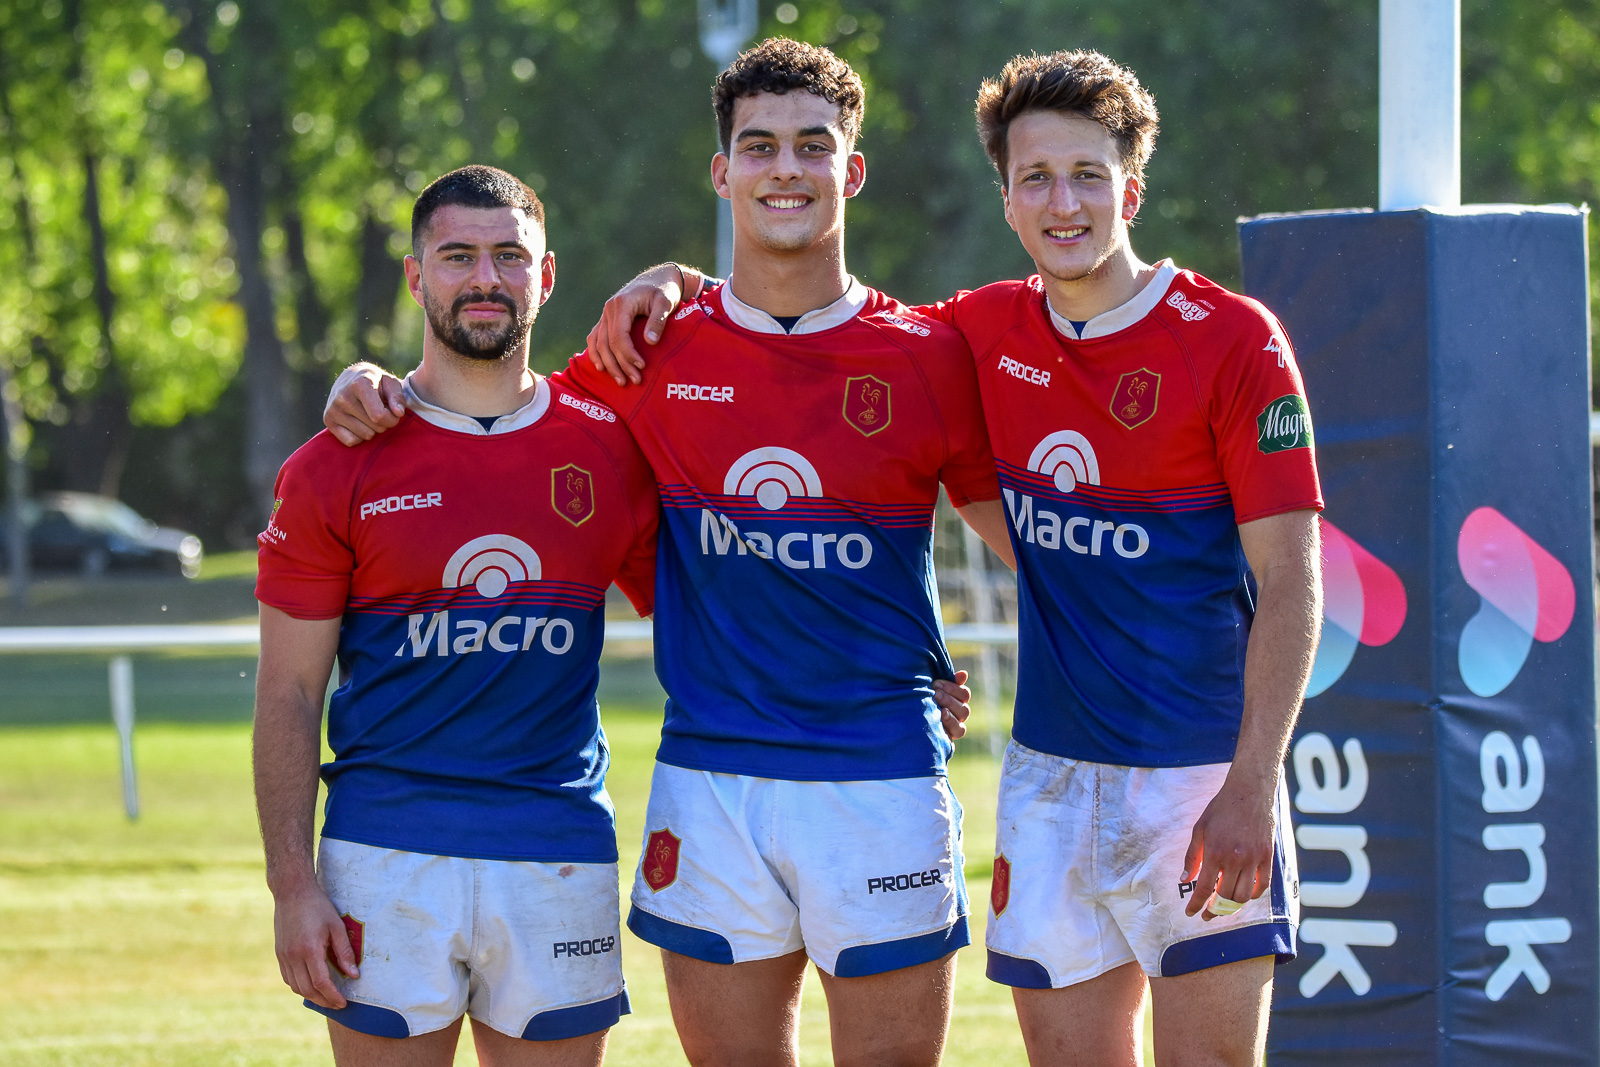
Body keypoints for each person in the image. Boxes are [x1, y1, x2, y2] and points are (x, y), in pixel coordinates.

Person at [586, 47, 1324, 1067]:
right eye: (1034, 178)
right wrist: (666, 280)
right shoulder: (969, 331)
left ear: (1131, 189)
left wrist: (1252, 779)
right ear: (1008, 199)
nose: (1062, 201)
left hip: (1196, 774)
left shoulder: (1228, 340)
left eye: (1087, 175)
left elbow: (1291, 578)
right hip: (1046, 772)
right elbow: (785, 349)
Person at [323, 39, 1011, 1067]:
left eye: (812, 146)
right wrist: (366, 381)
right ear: (721, 170)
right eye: (759, 145)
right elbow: (493, 405)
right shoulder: (647, 350)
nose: (785, 168)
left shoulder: (929, 353)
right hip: (711, 777)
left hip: (881, 775)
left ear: (851, 170)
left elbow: (1033, 542)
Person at [254, 165, 659, 1067]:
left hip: (556, 848)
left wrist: (901, 668)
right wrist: (291, 886)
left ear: (545, 277)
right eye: (459, 256)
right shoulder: (335, 463)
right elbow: (287, 691)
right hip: (384, 850)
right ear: (415, 275)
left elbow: (722, 610)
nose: (486, 278)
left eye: (511, 256)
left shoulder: (610, 449)